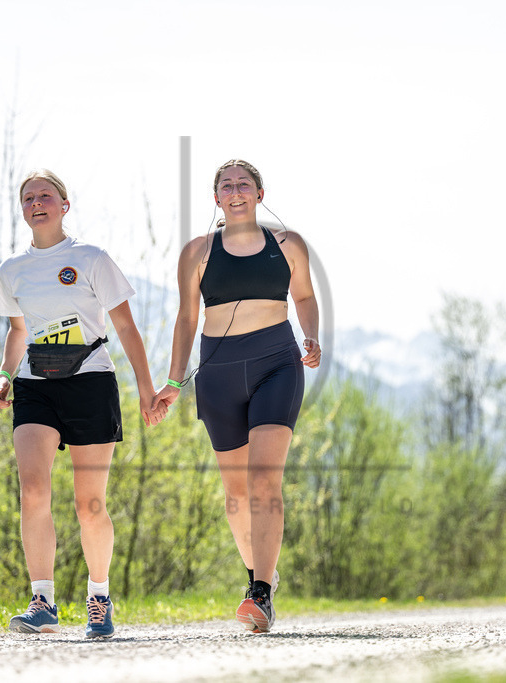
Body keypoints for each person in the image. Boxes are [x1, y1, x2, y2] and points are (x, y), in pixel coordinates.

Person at [0, 169, 165, 638]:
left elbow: (126, 328)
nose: (36, 203)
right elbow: (16, 330)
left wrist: (146, 390)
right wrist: (6, 374)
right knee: (32, 490)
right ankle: (43, 601)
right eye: (27, 197)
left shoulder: (91, 259)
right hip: (35, 384)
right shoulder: (11, 270)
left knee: (89, 504)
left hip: (90, 381)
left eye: (45, 195)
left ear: (64, 205)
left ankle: (99, 598)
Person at [153, 159, 321, 633]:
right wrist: (173, 380)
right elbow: (186, 318)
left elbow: (304, 297)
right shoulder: (197, 252)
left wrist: (311, 336)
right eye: (225, 186)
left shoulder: (288, 244)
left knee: (264, 480)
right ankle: (259, 573)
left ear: (259, 193)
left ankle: (261, 594)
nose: (235, 191)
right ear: (216, 199)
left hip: (276, 364)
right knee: (236, 493)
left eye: (243, 184)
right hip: (219, 373)